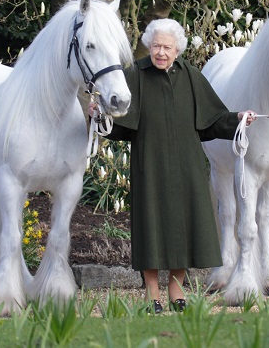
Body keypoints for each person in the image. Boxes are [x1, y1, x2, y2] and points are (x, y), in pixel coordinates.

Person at [90, 18, 255, 314]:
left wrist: (239, 118)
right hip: (149, 164)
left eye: (167, 47)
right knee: (151, 226)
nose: (161, 53)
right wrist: (98, 114)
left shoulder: (191, 76)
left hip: (187, 165)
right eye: (155, 46)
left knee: (184, 225)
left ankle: (176, 286)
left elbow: (213, 119)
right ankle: (152, 289)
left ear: (177, 49)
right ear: (148, 47)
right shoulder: (135, 75)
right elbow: (118, 124)